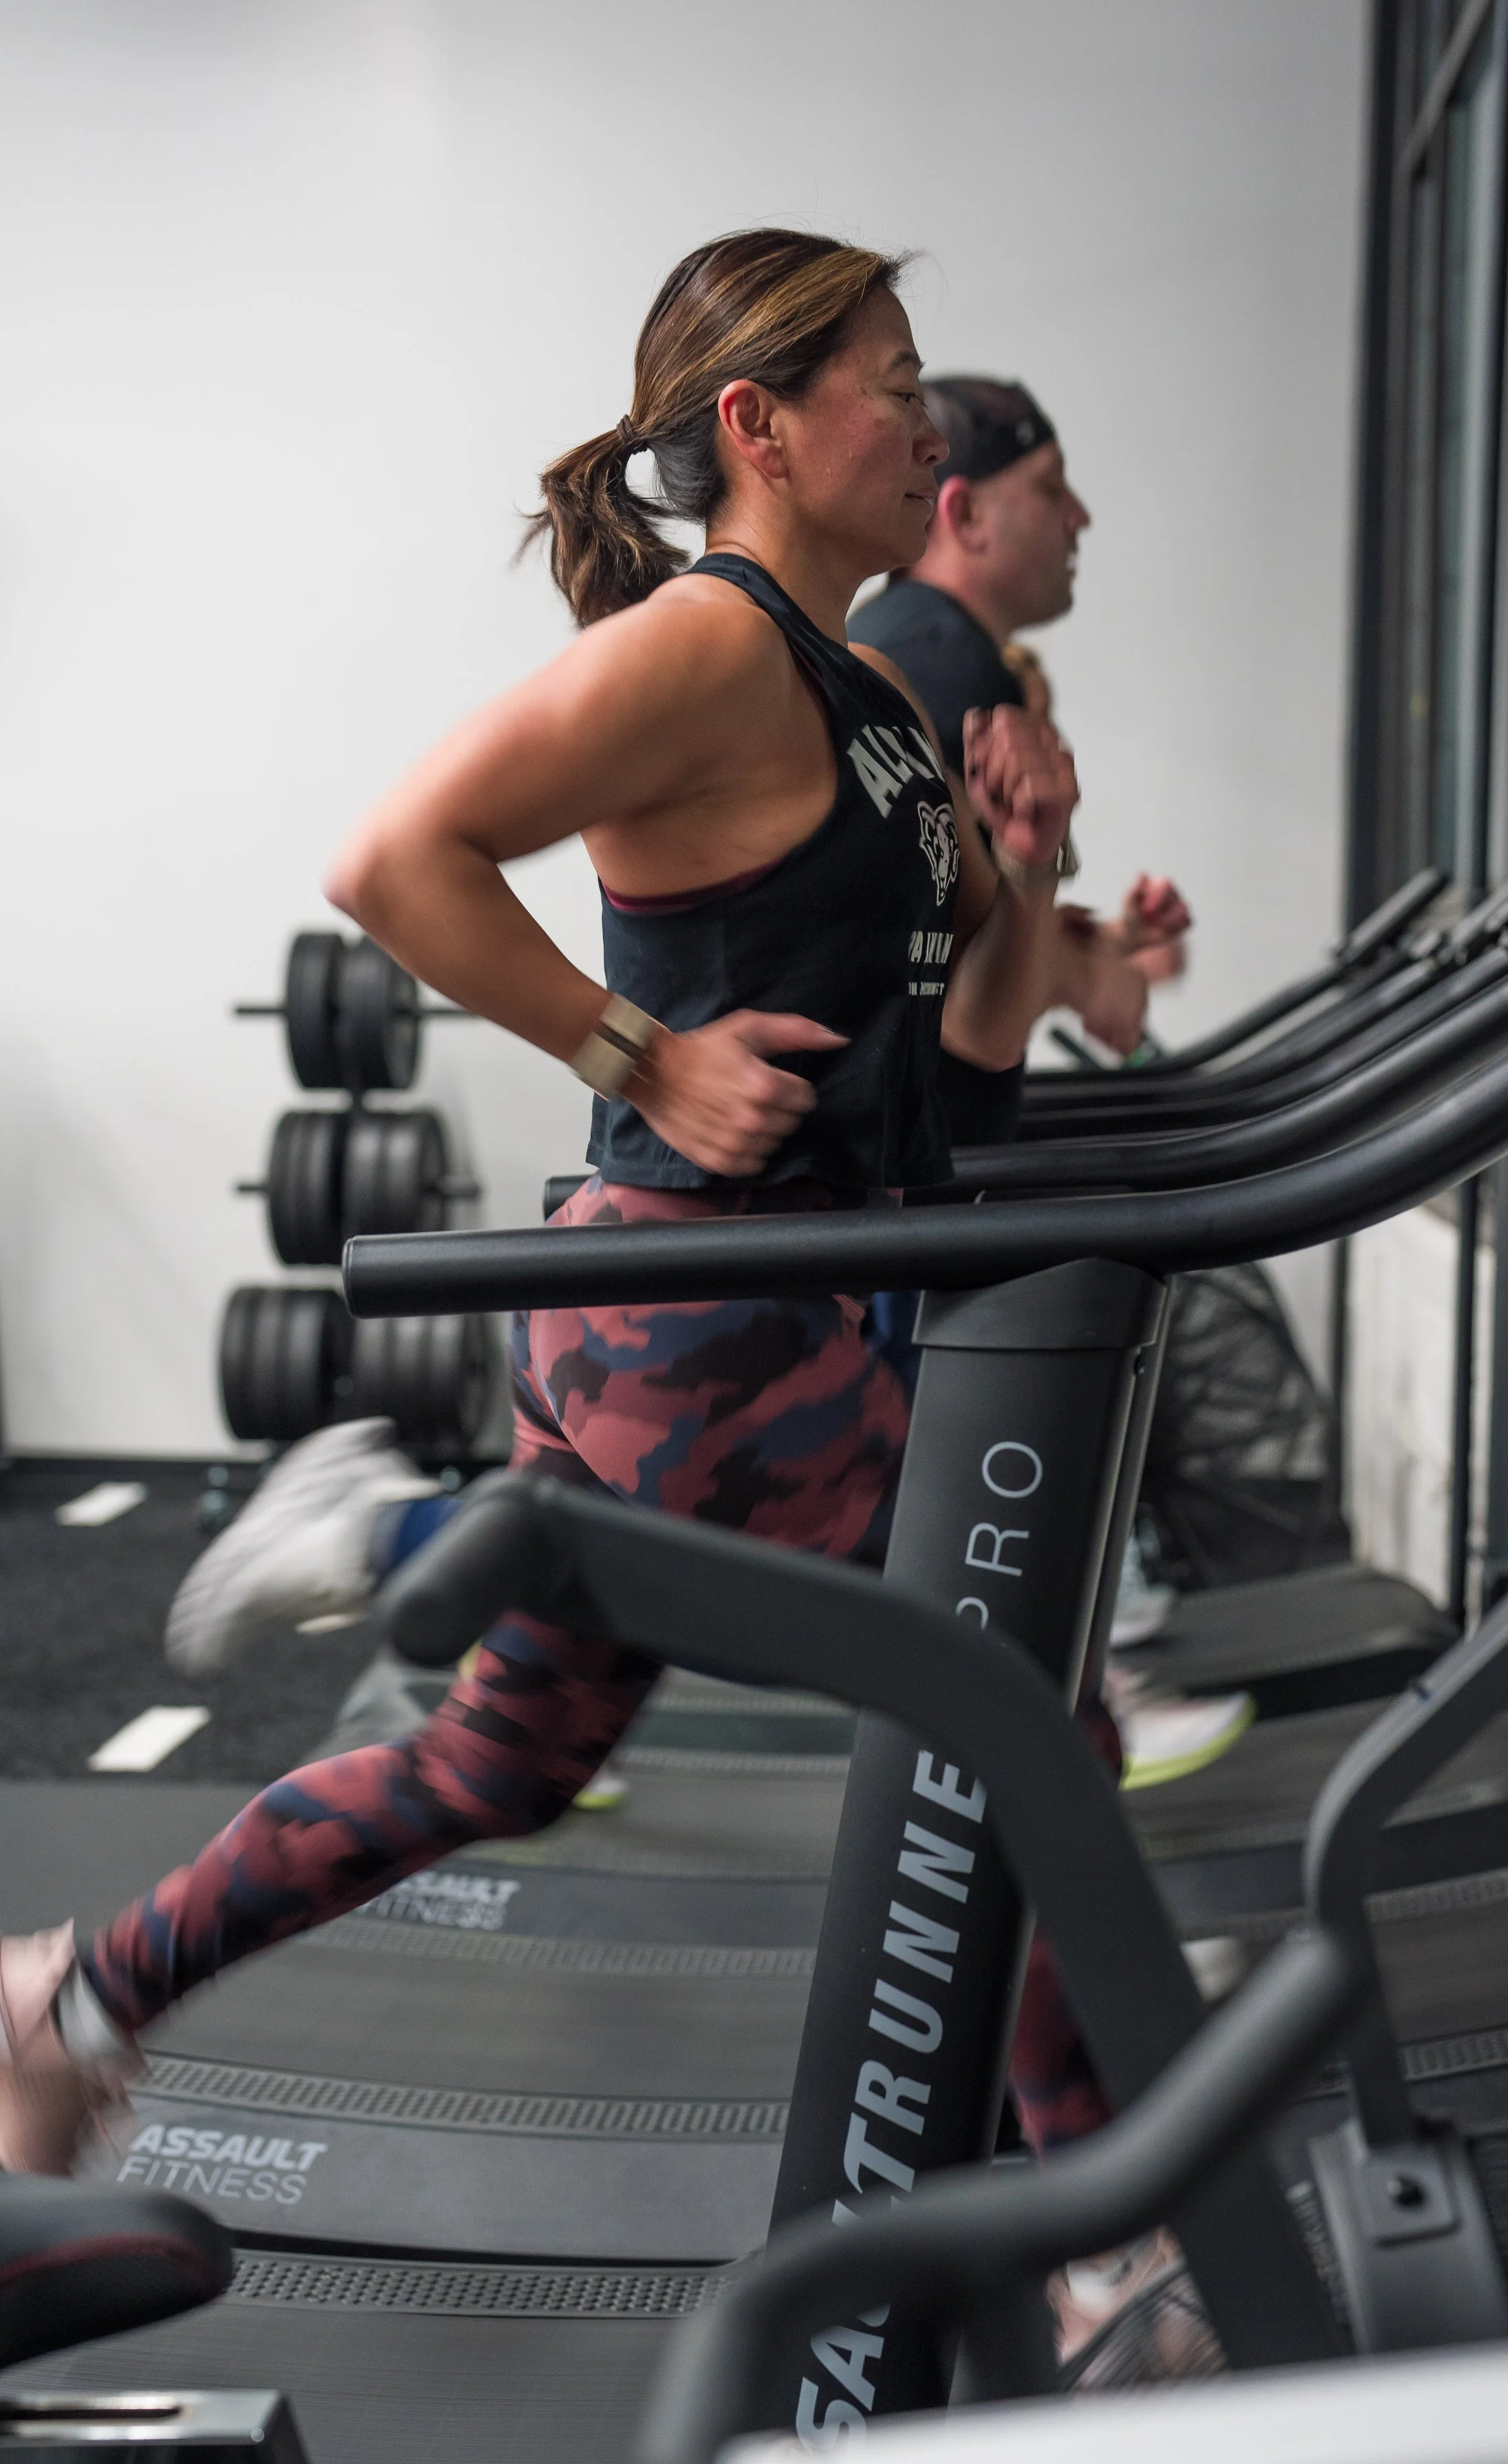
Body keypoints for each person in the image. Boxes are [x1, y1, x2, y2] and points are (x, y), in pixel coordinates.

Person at [0, 228, 1091, 2180]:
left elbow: (969, 1054)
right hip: (696, 1309)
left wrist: (1028, 867)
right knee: (1014, 1711)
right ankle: (1105, 2233)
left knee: (499, 1759)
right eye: (889, 378)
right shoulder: (707, 647)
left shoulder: (867, 693)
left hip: (745, 1300)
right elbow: (392, 853)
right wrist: (634, 1055)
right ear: (756, 422)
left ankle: (68, 2000)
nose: (923, 417)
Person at [850, 374, 1191, 1104]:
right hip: (921, 1181)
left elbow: (974, 918)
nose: (1080, 518)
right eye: (1049, 488)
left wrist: (1093, 945)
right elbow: (959, 997)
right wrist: (1088, 980)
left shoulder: (915, 644)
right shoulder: (947, 670)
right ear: (965, 513)